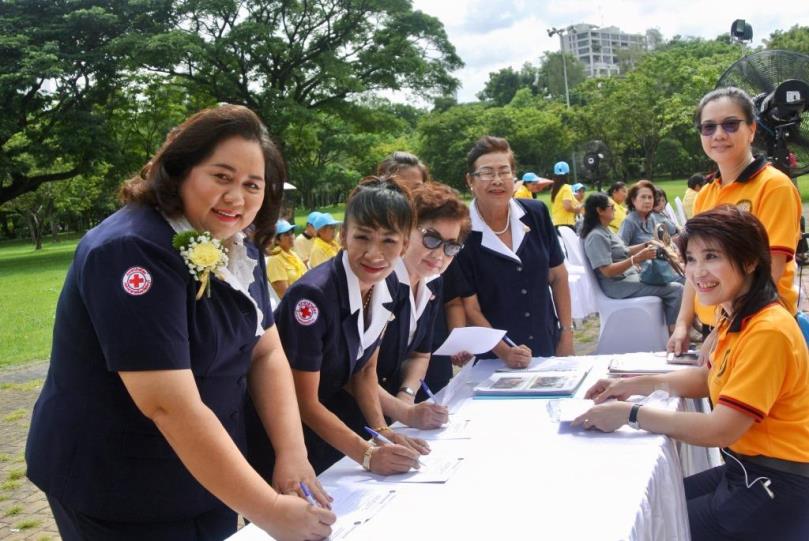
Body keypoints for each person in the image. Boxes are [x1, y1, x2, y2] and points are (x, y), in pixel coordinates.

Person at [25, 105, 335, 541]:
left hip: (207, 472)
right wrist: (267, 510)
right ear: (180, 170)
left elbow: (265, 350)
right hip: (119, 486)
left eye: (253, 185)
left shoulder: (238, 246)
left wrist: (292, 453)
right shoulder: (131, 250)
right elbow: (167, 404)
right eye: (221, 177)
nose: (237, 198)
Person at [575, 206, 809, 541]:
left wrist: (631, 414)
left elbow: (721, 429)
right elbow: (708, 379)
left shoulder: (766, 331)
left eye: (712, 256)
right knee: (655, 504)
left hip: (777, 484)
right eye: (691, 259)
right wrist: (633, 385)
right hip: (747, 469)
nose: (698, 272)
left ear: (750, 261)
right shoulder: (737, 315)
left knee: (653, 526)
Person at [248, 177, 428, 477]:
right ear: (344, 236)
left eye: (389, 241)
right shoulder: (312, 297)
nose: (374, 253)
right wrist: (368, 454)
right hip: (281, 438)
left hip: (328, 430)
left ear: (405, 244)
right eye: (362, 237)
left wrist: (382, 432)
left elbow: (365, 370)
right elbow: (303, 400)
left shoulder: (390, 285)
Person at [669, 87, 802, 354]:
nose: (718, 134)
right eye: (708, 127)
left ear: (752, 129)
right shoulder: (706, 193)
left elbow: (770, 274)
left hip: (756, 329)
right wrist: (682, 323)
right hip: (718, 329)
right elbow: (694, 267)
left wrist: (724, 332)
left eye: (730, 124)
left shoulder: (774, 186)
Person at [445, 136, 574, 369]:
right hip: (494, 357)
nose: (497, 180)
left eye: (504, 171)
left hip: (547, 343)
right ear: (470, 181)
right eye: (486, 173)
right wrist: (505, 351)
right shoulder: (460, 231)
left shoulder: (536, 213)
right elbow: (470, 307)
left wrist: (566, 333)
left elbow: (558, 276)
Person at [375, 182, 470, 427]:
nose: (439, 255)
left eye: (451, 246)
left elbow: (420, 353)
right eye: (431, 239)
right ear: (405, 231)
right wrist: (403, 411)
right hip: (346, 416)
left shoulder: (433, 282)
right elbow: (355, 373)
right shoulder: (378, 281)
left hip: (395, 411)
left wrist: (406, 395)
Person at [581, 193, 683, 332]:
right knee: (676, 289)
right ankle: (674, 331)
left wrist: (645, 245)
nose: (615, 209)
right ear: (600, 210)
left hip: (629, 277)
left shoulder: (605, 230)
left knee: (677, 278)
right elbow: (607, 271)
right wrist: (636, 259)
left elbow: (623, 251)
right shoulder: (595, 236)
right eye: (611, 207)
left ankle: (680, 326)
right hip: (618, 286)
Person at [619, 180, 672, 246]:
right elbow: (619, 251)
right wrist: (644, 246)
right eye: (643, 197)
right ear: (633, 200)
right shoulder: (629, 222)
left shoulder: (651, 217)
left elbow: (663, 237)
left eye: (650, 197)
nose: (647, 201)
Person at [267, 219, 307, 298]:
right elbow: (284, 295)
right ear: (277, 240)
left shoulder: (293, 254)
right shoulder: (275, 260)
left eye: (292, 232)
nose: (291, 236)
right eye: (286, 234)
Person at [550, 161, 582, 228]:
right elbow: (567, 207)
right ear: (567, 174)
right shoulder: (566, 187)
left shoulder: (554, 189)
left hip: (555, 223)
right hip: (566, 224)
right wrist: (577, 210)